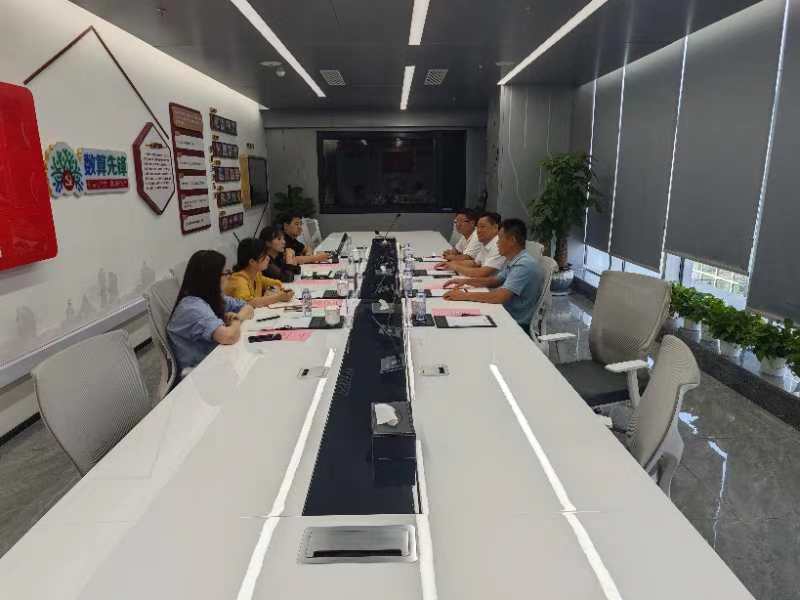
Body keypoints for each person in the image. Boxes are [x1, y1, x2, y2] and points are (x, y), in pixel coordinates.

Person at [442, 218, 546, 332]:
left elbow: (499, 297)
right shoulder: (515, 259)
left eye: (500, 238)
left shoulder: (524, 265)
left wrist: (463, 296)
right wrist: (466, 281)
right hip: (503, 312)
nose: (497, 242)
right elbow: (495, 281)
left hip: (515, 323)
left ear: (512, 240)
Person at [167, 250, 255, 374]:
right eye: (226, 273)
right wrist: (236, 320)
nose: (230, 277)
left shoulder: (211, 297)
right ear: (212, 277)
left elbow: (248, 307)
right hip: (197, 373)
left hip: (216, 361)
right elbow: (229, 337)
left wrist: (237, 317)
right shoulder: (192, 307)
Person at [225, 238, 294, 308]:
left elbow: (276, 283)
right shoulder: (239, 280)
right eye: (264, 256)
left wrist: (276, 291)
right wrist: (278, 297)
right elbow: (248, 303)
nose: (268, 258)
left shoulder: (256, 274)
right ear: (252, 262)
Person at [438, 212, 506, 277]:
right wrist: (450, 264)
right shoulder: (486, 242)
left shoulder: (498, 245)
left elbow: (482, 272)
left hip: (489, 284)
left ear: (495, 227)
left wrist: (456, 266)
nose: (478, 230)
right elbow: (475, 263)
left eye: (483, 227)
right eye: (478, 227)